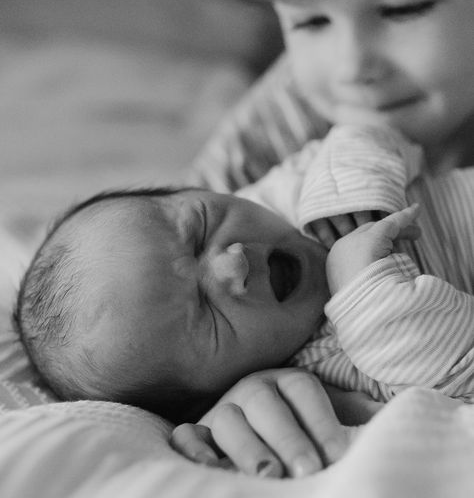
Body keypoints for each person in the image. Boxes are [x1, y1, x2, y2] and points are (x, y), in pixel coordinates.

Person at [15, 123, 474, 476]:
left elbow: (371, 134)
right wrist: (371, 304)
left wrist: (348, 196)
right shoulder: (333, 373)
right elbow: (459, 386)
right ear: (213, 390)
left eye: (199, 227)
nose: (233, 264)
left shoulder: (290, 197)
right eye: (207, 316)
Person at [187, 0, 474, 193]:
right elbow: (179, 226)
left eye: (403, 8)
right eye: (311, 22)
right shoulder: (280, 122)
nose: (352, 68)